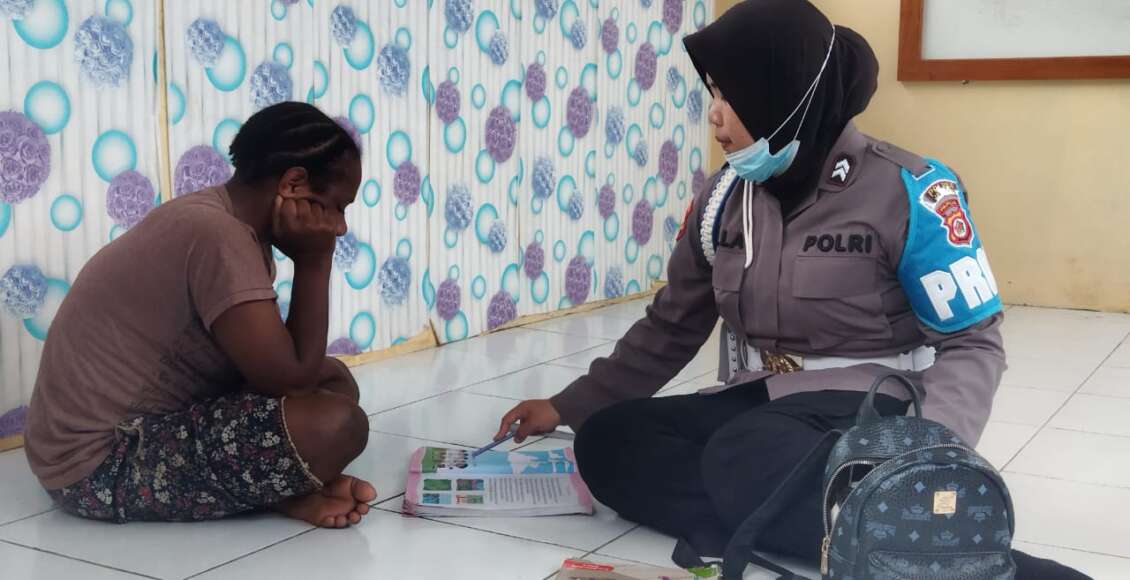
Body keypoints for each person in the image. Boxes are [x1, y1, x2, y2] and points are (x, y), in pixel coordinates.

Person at [496, 1, 1088, 578]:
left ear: (784, 94)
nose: (715, 116)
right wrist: (569, 406)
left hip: (867, 403)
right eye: (712, 94)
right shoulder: (722, 200)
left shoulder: (909, 192)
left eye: (730, 95)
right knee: (610, 441)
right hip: (762, 400)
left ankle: (942, 549)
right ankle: (860, 535)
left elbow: (973, 344)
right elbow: (671, 324)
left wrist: (925, 457)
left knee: (744, 452)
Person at [25, 102, 377, 528]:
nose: (340, 227)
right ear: (294, 183)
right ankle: (275, 493)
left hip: (148, 426)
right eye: (338, 206)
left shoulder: (219, 220)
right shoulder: (218, 236)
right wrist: (315, 260)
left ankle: (272, 490)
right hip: (95, 466)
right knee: (337, 425)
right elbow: (291, 381)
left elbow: (290, 368)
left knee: (335, 379)